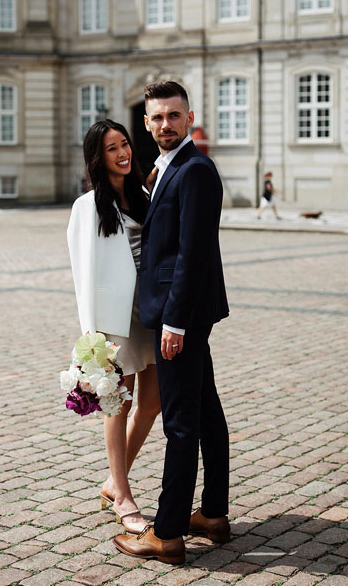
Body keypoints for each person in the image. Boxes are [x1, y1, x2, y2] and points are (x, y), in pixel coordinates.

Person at [114, 80, 230, 565]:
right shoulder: (166, 168)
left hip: (180, 318)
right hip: (182, 315)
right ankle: (213, 514)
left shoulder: (196, 169)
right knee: (206, 414)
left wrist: (175, 324)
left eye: (173, 116)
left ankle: (165, 533)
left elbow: (192, 254)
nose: (165, 124)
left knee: (181, 424)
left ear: (190, 117)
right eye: (157, 117)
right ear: (146, 122)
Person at [67, 119, 161, 534]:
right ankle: (122, 494)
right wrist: (93, 341)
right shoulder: (87, 207)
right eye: (111, 148)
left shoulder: (143, 195)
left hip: (152, 311)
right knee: (120, 405)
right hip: (113, 320)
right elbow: (82, 275)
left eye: (124, 144)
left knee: (154, 402)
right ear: (97, 157)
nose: (122, 153)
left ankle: (111, 482)